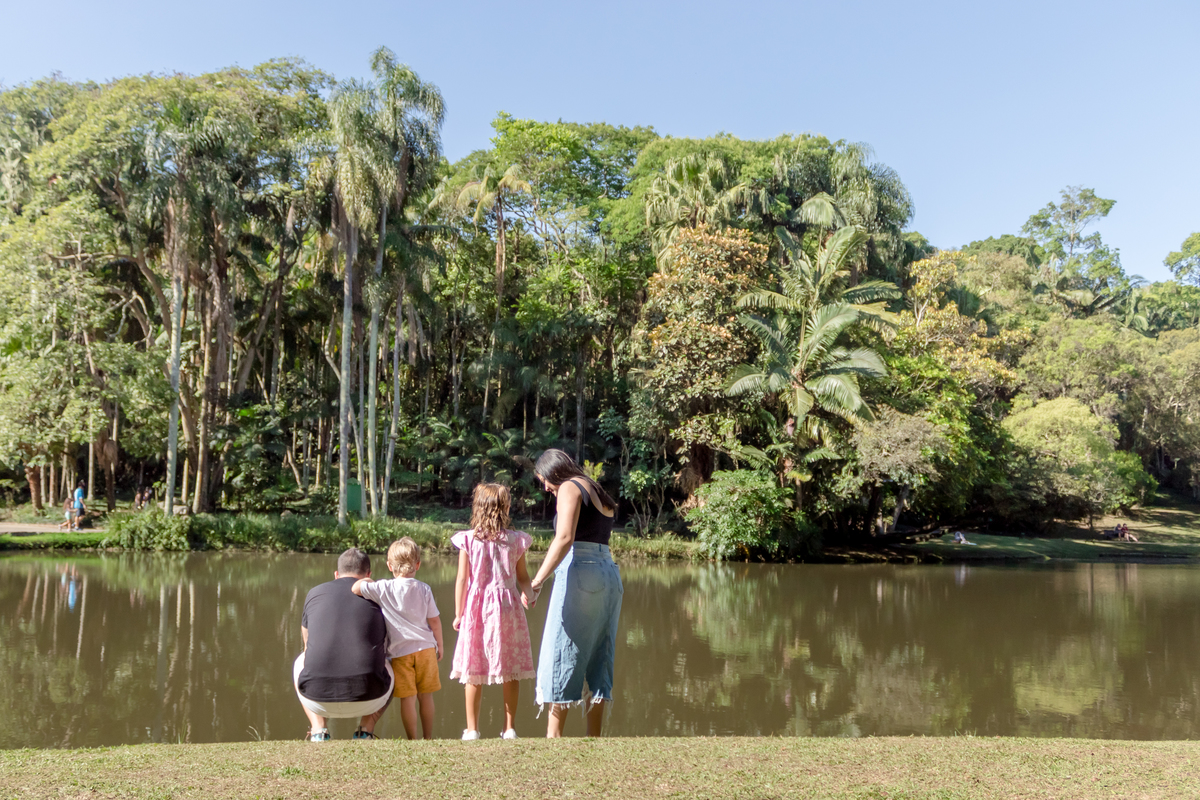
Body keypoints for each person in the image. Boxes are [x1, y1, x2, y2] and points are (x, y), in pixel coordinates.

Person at [529, 449, 623, 738]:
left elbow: (565, 537)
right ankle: (594, 738)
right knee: (599, 654)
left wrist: (537, 580)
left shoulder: (570, 487)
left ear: (554, 471)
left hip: (581, 571)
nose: (545, 487)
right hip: (608, 573)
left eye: (544, 480)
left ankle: (553, 738)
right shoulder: (595, 488)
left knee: (562, 650)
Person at [450, 483, 537, 740]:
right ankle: (509, 728)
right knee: (510, 667)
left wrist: (458, 613)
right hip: (507, 607)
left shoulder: (468, 539)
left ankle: (472, 729)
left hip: (476, 609)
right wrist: (529, 593)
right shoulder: (514, 540)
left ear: (478, 506)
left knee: (473, 667)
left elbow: (462, 580)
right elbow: (522, 577)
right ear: (505, 507)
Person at [294, 547, 393, 741]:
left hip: (316, 698)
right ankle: (366, 729)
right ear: (368, 575)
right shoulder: (378, 596)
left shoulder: (314, 593)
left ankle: (318, 729)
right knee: (391, 660)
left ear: (336, 574)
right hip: (371, 697)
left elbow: (307, 643)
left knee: (301, 658)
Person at [350, 538, 444, 740]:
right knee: (426, 696)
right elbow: (434, 621)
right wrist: (440, 645)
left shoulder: (383, 588)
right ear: (418, 565)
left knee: (407, 699)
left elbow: (355, 588)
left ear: (389, 566)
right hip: (426, 649)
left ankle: (412, 739)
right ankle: (428, 738)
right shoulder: (424, 588)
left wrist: (368, 581)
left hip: (401, 654)